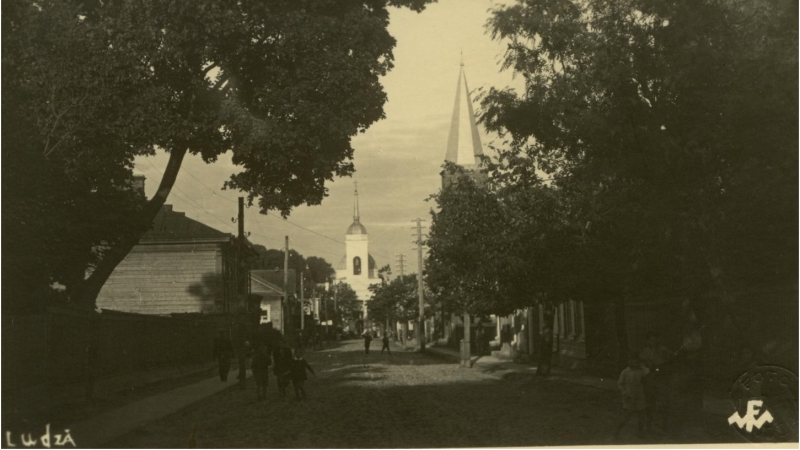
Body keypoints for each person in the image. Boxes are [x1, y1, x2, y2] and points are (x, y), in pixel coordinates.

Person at [639, 332, 671, 431]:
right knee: (650, 402)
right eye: (651, 340)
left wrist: (663, 366)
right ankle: (649, 425)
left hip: (661, 378)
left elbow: (671, 360)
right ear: (648, 341)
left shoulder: (663, 350)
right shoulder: (645, 351)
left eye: (655, 340)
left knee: (663, 402)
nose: (653, 342)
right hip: (650, 378)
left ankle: (663, 425)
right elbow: (642, 364)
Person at [614, 356, 650, 440]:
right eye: (633, 362)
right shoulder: (625, 372)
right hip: (629, 397)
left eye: (637, 362)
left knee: (641, 415)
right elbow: (620, 384)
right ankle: (617, 432)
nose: (635, 364)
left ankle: (640, 432)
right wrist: (624, 393)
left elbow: (647, 371)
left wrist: (641, 366)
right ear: (629, 362)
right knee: (627, 415)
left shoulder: (641, 371)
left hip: (639, 396)